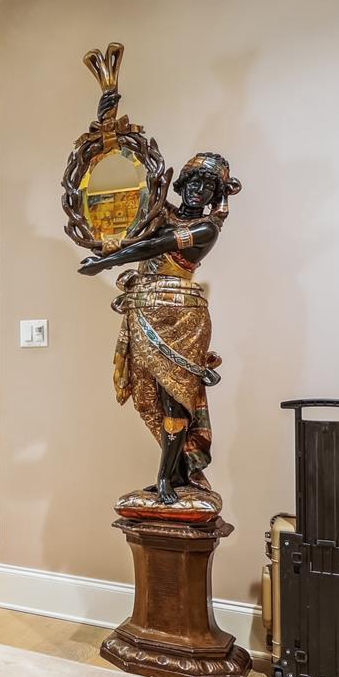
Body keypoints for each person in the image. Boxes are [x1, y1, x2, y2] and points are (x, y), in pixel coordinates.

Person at [76, 153, 241, 504]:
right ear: (182, 184)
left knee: (175, 397)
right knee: (147, 394)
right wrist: (110, 125)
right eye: (194, 182)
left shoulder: (206, 227)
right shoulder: (161, 212)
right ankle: (180, 472)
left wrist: (104, 262)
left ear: (216, 194)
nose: (199, 190)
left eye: (208, 186)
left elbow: (153, 245)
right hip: (143, 310)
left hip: (181, 316)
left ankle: (166, 478)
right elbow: (130, 211)